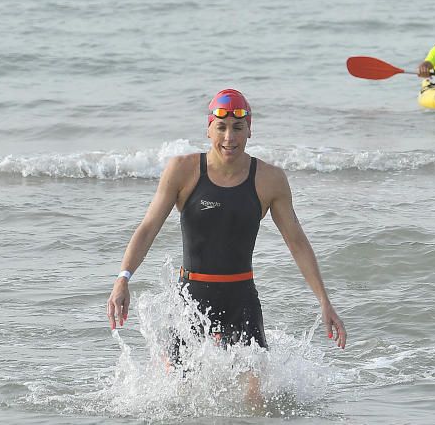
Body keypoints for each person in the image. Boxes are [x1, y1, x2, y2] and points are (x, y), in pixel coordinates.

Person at [106, 89, 346, 376]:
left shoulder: (270, 180)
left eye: (238, 128)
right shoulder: (183, 171)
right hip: (191, 301)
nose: (229, 138)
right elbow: (148, 228)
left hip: (241, 299)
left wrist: (324, 301)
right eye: (221, 128)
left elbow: (297, 242)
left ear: (249, 131)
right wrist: (123, 279)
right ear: (209, 130)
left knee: (256, 399)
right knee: (178, 396)